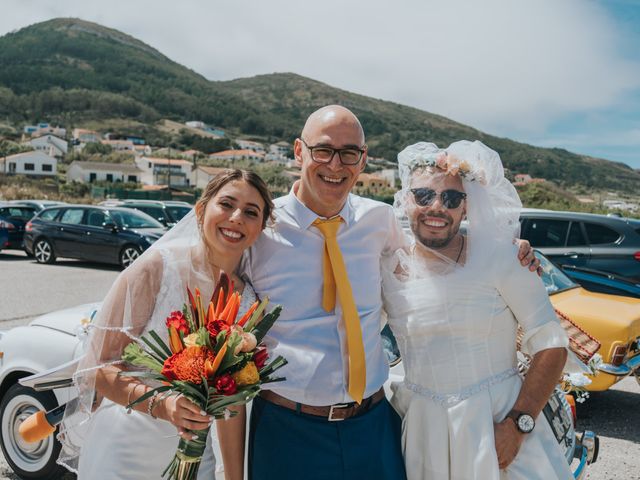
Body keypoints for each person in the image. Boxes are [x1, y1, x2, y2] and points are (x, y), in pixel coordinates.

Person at [230, 105, 540, 480]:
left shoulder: (380, 221)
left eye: (349, 154)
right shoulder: (259, 228)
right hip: (287, 428)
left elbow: (433, 251)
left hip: (373, 426)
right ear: (299, 151)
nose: (335, 164)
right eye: (323, 150)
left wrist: (508, 249)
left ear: (362, 160)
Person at [57, 169, 274, 479]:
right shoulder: (156, 269)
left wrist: (235, 476)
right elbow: (100, 369)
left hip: (199, 459)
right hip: (127, 448)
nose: (237, 217)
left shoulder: (251, 304)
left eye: (251, 212)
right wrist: (162, 405)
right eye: (226, 204)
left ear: (261, 227)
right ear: (201, 210)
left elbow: (232, 403)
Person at [383, 140, 572, 479]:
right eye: (424, 195)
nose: (437, 207)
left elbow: (552, 346)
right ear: (405, 200)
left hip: (498, 426)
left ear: (467, 207)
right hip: (426, 434)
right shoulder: (387, 270)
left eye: (451, 198)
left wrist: (518, 425)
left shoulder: (503, 259)